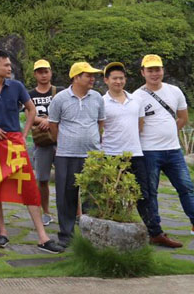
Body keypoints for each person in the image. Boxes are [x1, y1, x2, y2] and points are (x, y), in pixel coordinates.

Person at [0, 50, 64, 253]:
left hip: (14, 144)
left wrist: (24, 133)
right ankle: (2, 232)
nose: (9, 68)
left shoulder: (17, 86)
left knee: (29, 187)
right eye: (6, 65)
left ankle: (42, 236)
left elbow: (31, 109)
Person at [101, 62, 177, 247]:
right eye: (114, 78)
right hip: (111, 155)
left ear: (125, 79)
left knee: (144, 194)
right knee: (112, 195)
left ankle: (155, 233)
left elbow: (140, 125)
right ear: (106, 80)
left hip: (135, 153)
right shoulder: (101, 102)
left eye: (121, 78)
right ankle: (110, 234)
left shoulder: (135, 100)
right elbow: (99, 127)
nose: (118, 81)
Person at [133, 54, 193, 242]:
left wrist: (169, 132)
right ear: (143, 72)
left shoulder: (174, 91)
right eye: (150, 70)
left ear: (163, 70)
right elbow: (135, 125)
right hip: (148, 151)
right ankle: (156, 232)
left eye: (157, 69)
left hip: (174, 150)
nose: (154, 73)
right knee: (150, 193)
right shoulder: (136, 96)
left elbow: (183, 118)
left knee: (186, 187)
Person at [47, 62, 105, 247]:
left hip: (92, 155)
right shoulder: (60, 98)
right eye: (88, 75)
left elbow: (100, 123)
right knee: (66, 196)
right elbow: (53, 125)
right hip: (66, 154)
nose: (92, 79)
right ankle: (66, 236)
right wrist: (63, 142)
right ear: (76, 77)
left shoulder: (97, 97)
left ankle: (91, 237)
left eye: (93, 75)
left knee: (92, 196)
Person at [29, 59, 59, 226]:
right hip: (41, 141)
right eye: (40, 72)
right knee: (42, 179)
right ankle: (46, 212)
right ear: (35, 74)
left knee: (69, 179)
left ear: (50, 72)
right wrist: (44, 121)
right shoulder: (29, 94)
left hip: (61, 140)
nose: (43, 75)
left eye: (46, 71)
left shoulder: (59, 92)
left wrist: (50, 121)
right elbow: (27, 115)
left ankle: (76, 213)